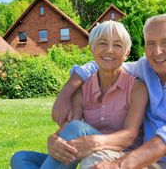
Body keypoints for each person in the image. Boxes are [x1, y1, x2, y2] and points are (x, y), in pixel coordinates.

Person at [11, 21, 148, 169]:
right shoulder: (83, 89)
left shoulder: (137, 88)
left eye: (117, 45)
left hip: (123, 156)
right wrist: (53, 140)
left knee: (78, 129)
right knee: (21, 158)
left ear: (126, 53)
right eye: (102, 43)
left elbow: (129, 136)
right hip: (86, 151)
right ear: (92, 49)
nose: (109, 50)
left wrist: (93, 142)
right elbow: (69, 128)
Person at [52, 14, 166, 168]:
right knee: (20, 159)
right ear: (145, 48)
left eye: (165, 42)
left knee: (94, 156)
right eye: (151, 43)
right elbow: (103, 63)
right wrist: (64, 95)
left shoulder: (138, 86)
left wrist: (118, 165)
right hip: (146, 160)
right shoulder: (145, 68)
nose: (158, 51)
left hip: (150, 160)